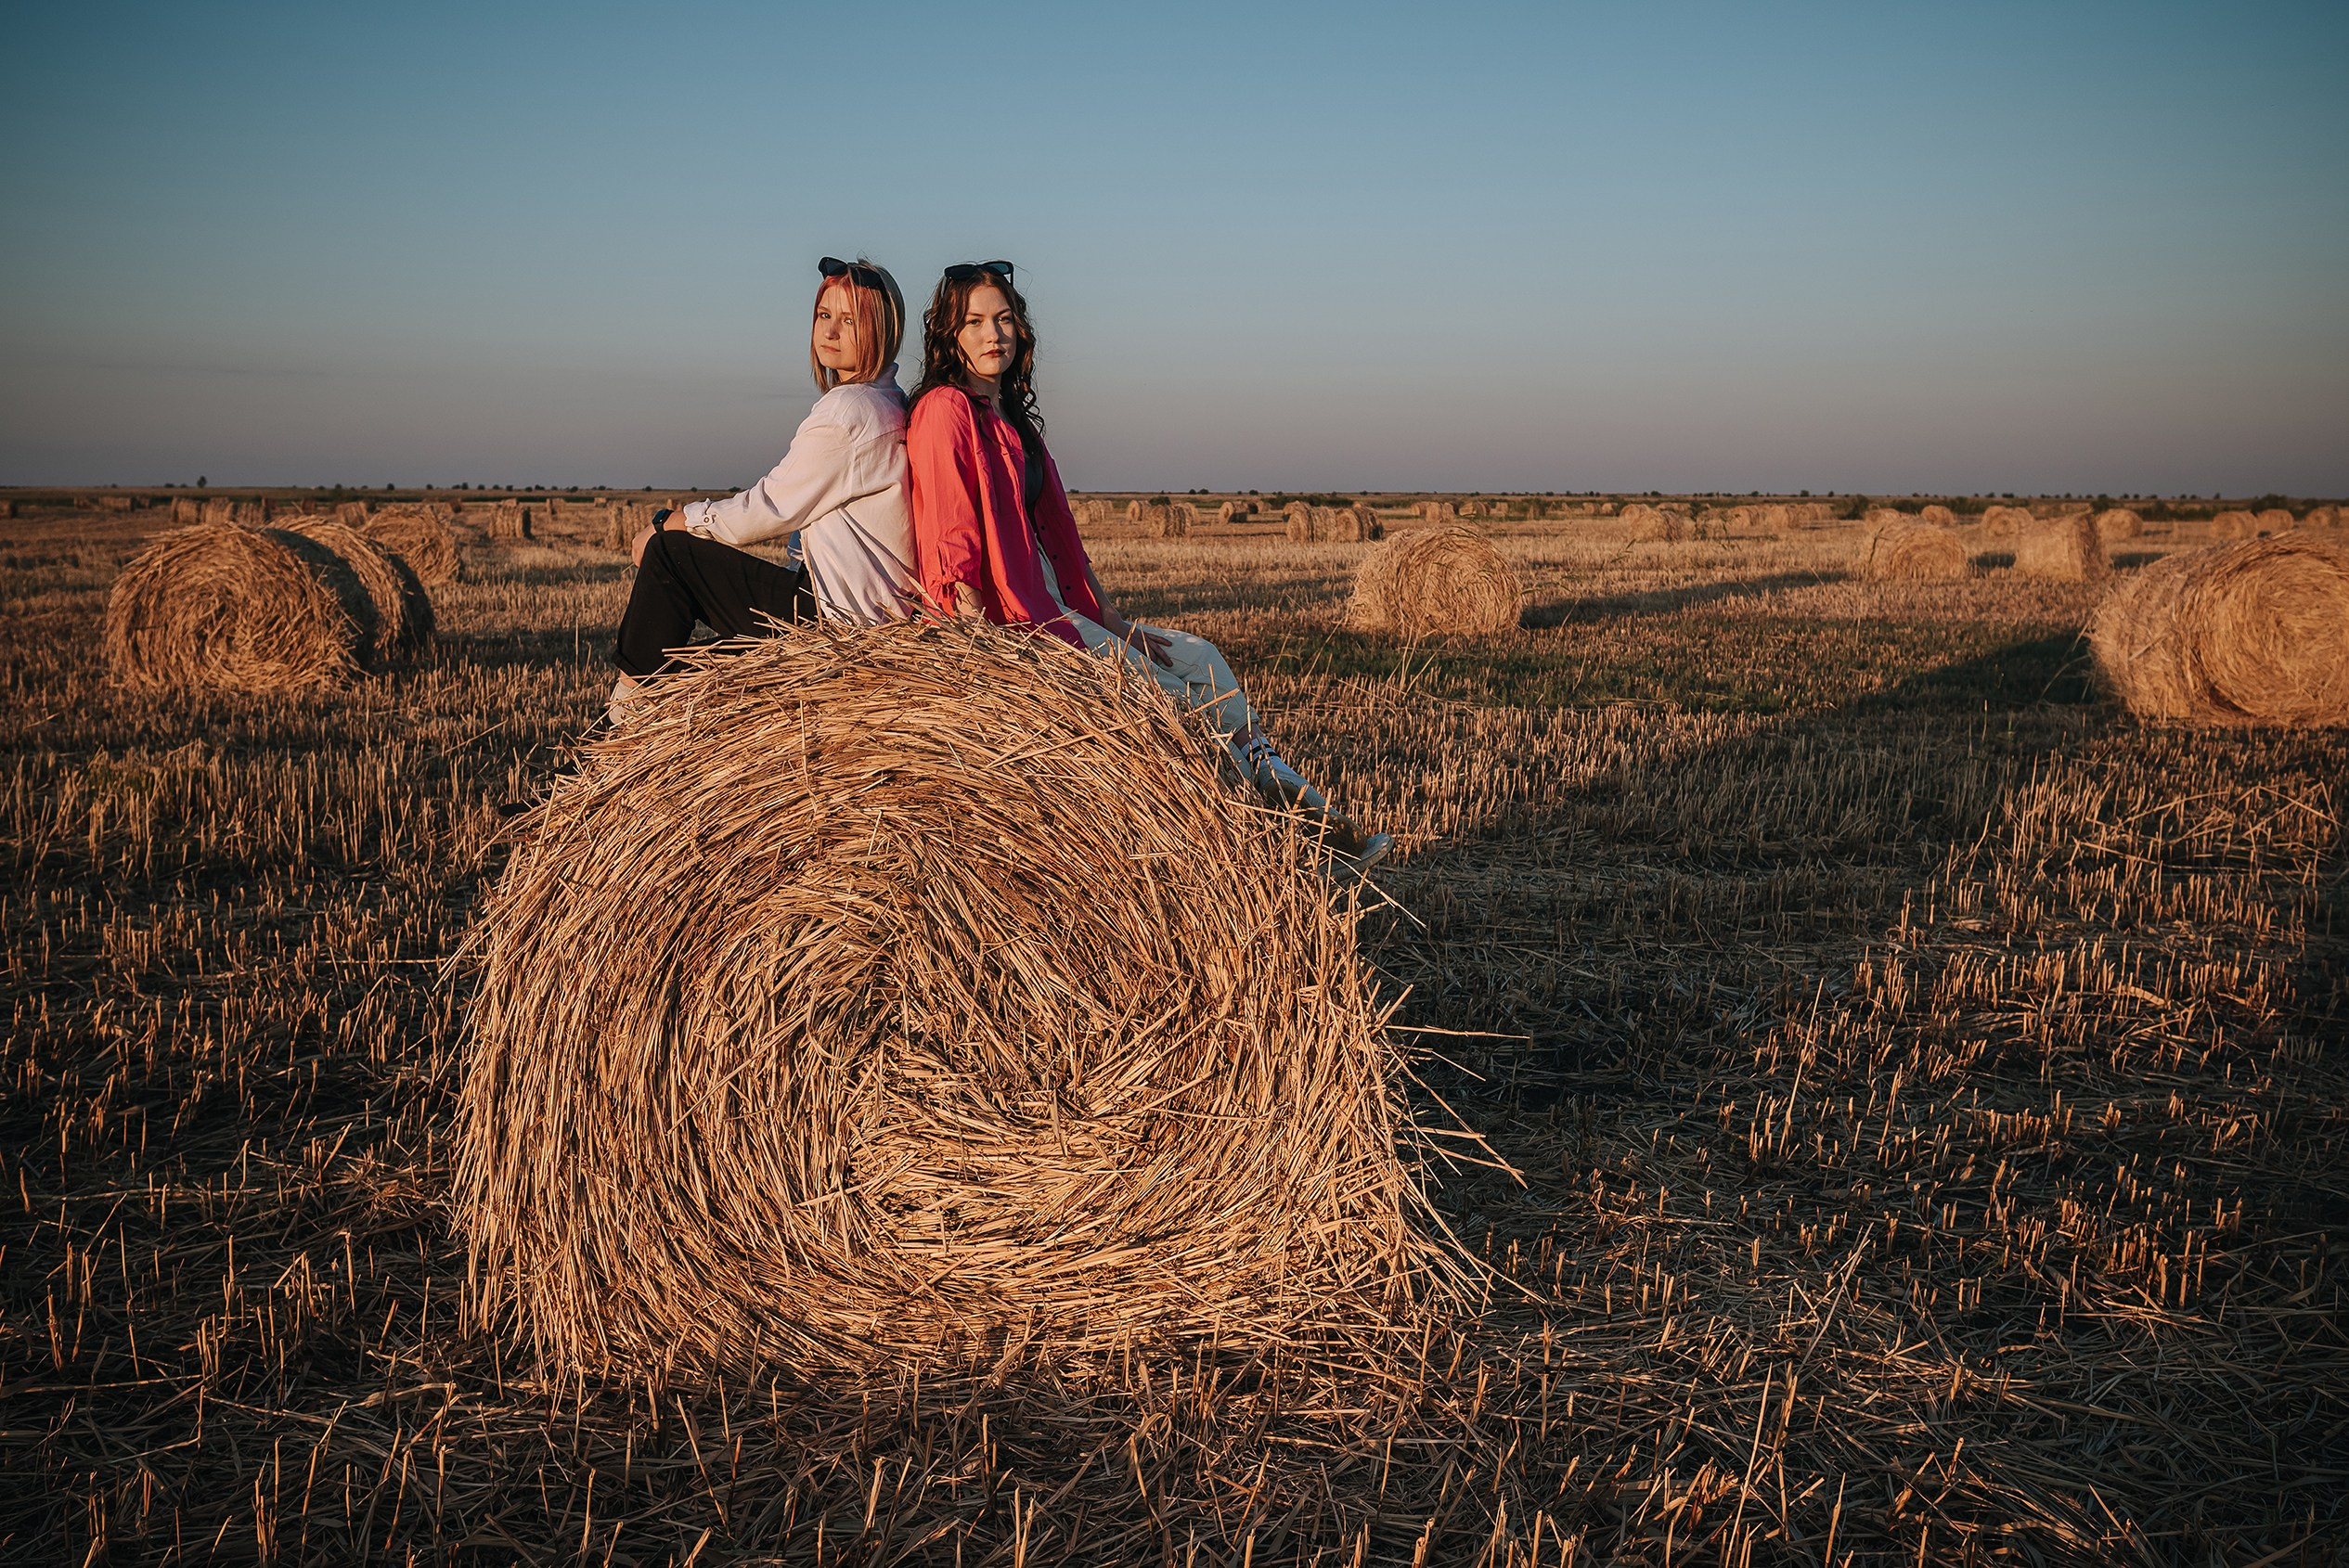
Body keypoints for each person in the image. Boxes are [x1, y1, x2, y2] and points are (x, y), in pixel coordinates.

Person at [904, 261, 1391, 869]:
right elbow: (949, 529)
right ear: (948, 334)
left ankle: (1300, 806)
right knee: (1170, 704)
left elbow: (1062, 540)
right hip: (1020, 620)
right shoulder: (945, 410)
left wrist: (1116, 621)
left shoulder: (1017, 422)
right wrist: (971, 636)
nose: (992, 334)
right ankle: (1289, 849)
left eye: (1003, 319)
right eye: (973, 322)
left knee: (1200, 661)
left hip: (1063, 605)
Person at [608, 257, 919, 723]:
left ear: (882, 329)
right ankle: (597, 760)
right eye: (823, 315)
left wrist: (668, 524)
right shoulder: (891, 401)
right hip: (865, 615)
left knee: (672, 556)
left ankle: (622, 719)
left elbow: (768, 508)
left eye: (850, 320)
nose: (830, 331)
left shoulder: (847, 410)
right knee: (695, 675)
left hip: (836, 624)